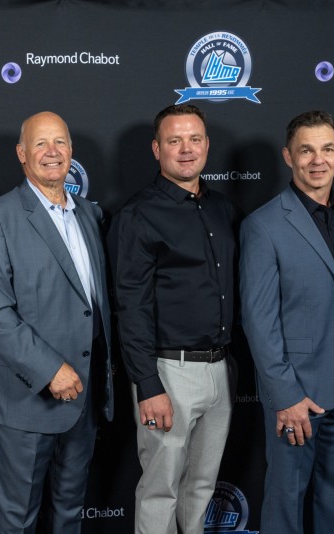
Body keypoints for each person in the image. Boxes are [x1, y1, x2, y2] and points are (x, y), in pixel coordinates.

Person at [239, 110, 334, 533]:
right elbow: (258, 320)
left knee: (332, 494)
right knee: (286, 498)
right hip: (299, 394)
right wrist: (285, 395)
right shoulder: (263, 226)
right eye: (306, 150)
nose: (316, 160)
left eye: (326, 149)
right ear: (289, 156)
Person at [0, 111, 114, 533]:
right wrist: (51, 369)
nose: (52, 152)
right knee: (16, 519)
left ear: (71, 151)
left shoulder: (89, 214)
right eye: (40, 143)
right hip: (27, 402)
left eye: (60, 143)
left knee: (70, 513)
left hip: (84, 399)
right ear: (22, 153)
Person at [108, 104, 237, 534]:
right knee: (161, 490)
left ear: (206, 145)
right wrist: (148, 385)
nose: (186, 149)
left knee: (201, 488)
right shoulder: (138, 215)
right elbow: (131, 305)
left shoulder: (222, 208)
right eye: (174, 140)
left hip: (219, 370)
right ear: (156, 148)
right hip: (169, 372)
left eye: (195, 139)